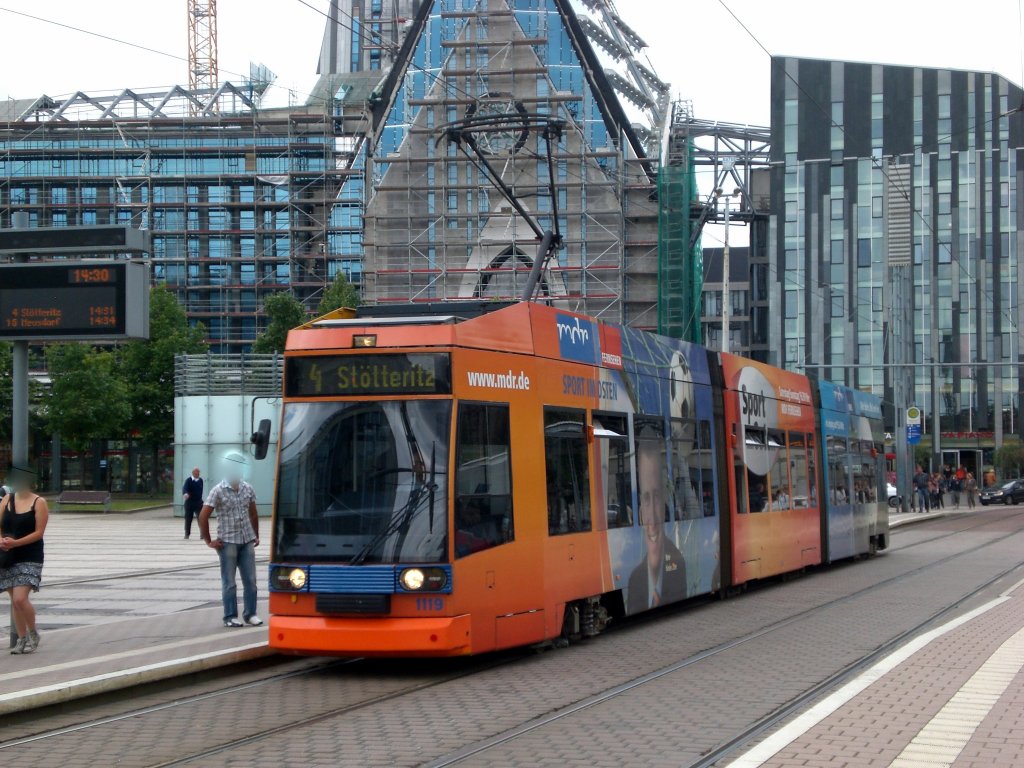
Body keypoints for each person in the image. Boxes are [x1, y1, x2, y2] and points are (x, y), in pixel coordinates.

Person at [198, 451, 262, 628]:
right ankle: (230, 616)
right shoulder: (217, 490)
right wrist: (209, 541)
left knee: (251, 580)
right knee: (230, 582)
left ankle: (251, 614)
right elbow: (203, 516)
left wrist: (256, 534)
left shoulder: (247, 488)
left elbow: (253, 513)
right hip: (228, 542)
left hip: (246, 539)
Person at [627, 440, 686, 613]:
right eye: (646, 498)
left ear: (665, 502)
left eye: (657, 496)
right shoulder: (634, 580)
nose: (652, 516)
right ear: (639, 510)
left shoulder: (679, 563)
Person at [0, 466, 49, 654]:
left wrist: (16, 543)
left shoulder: (39, 502)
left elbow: (39, 533)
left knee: (21, 599)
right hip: (8, 556)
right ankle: (21, 639)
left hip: (30, 555)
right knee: (14, 600)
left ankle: (33, 632)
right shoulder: (6, 500)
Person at [181, 467, 204, 540]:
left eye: (198, 472)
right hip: (189, 503)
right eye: (196, 472)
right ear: (193, 473)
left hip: (198, 502)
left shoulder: (200, 480)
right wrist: (185, 494)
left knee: (201, 518)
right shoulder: (188, 480)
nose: (198, 474)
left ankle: (202, 534)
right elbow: (185, 488)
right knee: (188, 519)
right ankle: (187, 534)